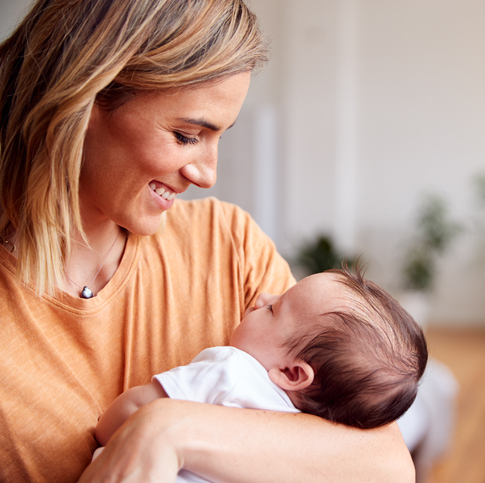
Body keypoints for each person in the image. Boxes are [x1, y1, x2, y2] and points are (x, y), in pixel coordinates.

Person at [0, 0, 415, 481]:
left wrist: (166, 429)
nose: (208, 174)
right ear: (82, 98)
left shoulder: (228, 245)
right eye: (185, 134)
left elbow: (383, 465)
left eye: (218, 137)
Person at [94, 268, 428, 482]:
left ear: (292, 372)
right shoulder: (314, 439)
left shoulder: (230, 371)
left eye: (273, 309)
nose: (261, 297)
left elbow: (121, 420)